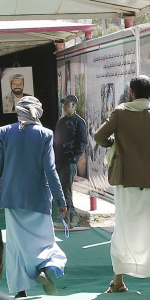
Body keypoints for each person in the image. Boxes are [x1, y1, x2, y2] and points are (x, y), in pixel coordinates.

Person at [94, 75, 150, 298]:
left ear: (131, 92)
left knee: (124, 229)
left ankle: (118, 281)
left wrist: (115, 144)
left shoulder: (120, 113)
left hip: (127, 181)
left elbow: (99, 136)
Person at [0, 95, 66, 298]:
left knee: (16, 246)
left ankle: (21, 290)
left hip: (12, 198)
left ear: (18, 111)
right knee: (46, 242)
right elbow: (51, 170)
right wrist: (61, 201)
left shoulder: (4, 132)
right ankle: (45, 268)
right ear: (38, 112)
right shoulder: (45, 134)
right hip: (38, 198)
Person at [53, 94, 89, 225]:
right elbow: (55, 141)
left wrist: (74, 158)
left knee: (65, 189)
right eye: (63, 103)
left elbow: (83, 142)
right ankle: (71, 217)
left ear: (74, 105)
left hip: (69, 161)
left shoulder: (79, 122)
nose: (64, 106)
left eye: (67, 103)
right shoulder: (61, 121)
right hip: (58, 160)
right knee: (60, 189)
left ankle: (65, 219)